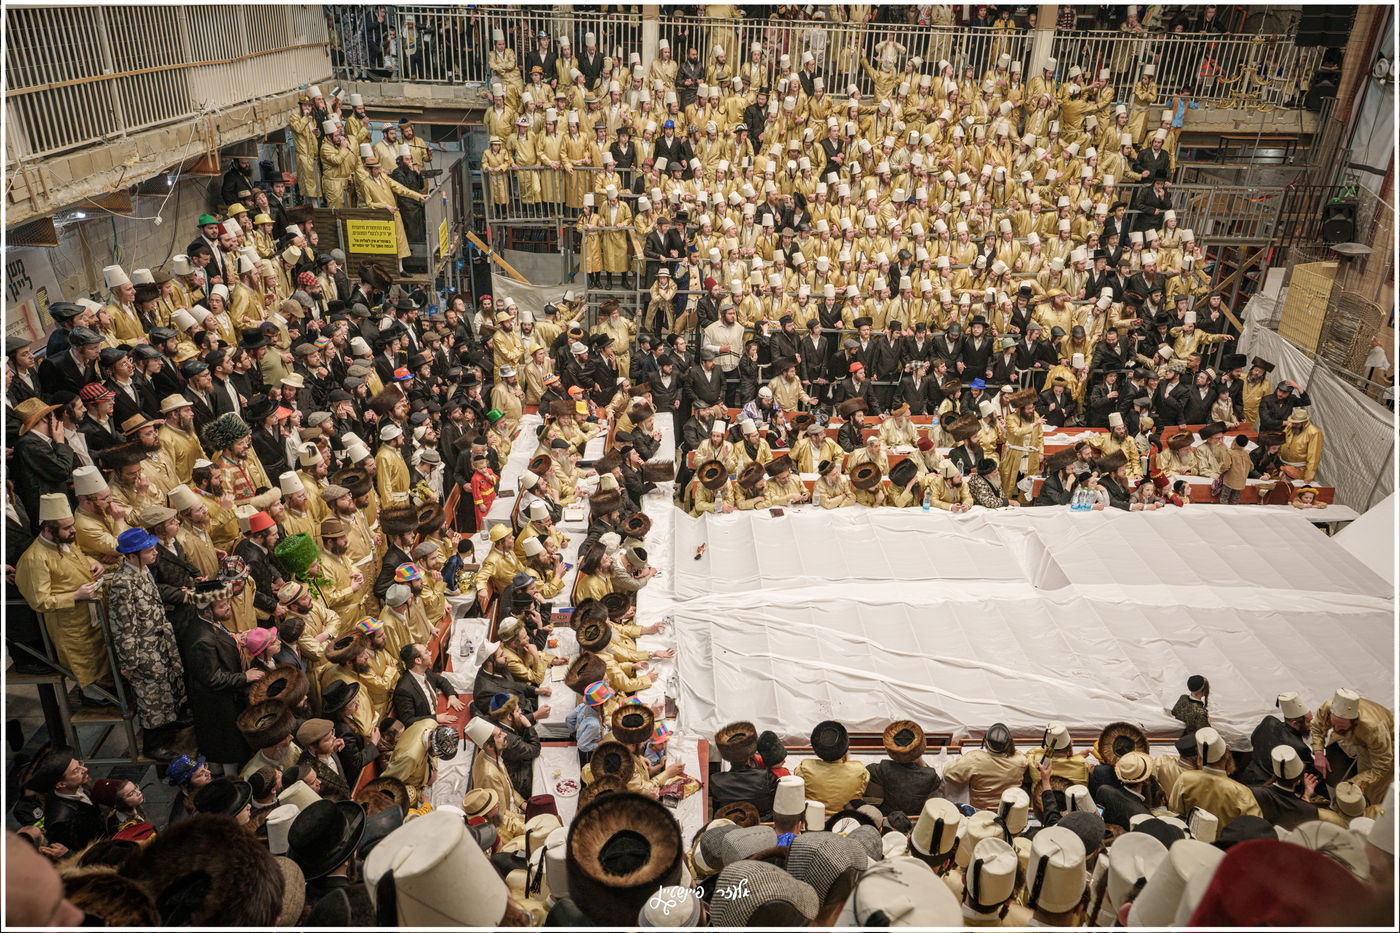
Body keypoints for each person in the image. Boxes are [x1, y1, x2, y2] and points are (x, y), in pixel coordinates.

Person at [103, 527, 187, 760]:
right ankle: (153, 744)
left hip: (160, 642)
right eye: (149, 551)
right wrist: (130, 661)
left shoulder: (143, 570)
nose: (155, 554)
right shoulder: (123, 583)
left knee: (167, 688)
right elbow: (123, 627)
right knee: (151, 698)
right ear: (132, 555)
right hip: (143, 650)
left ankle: (169, 730)